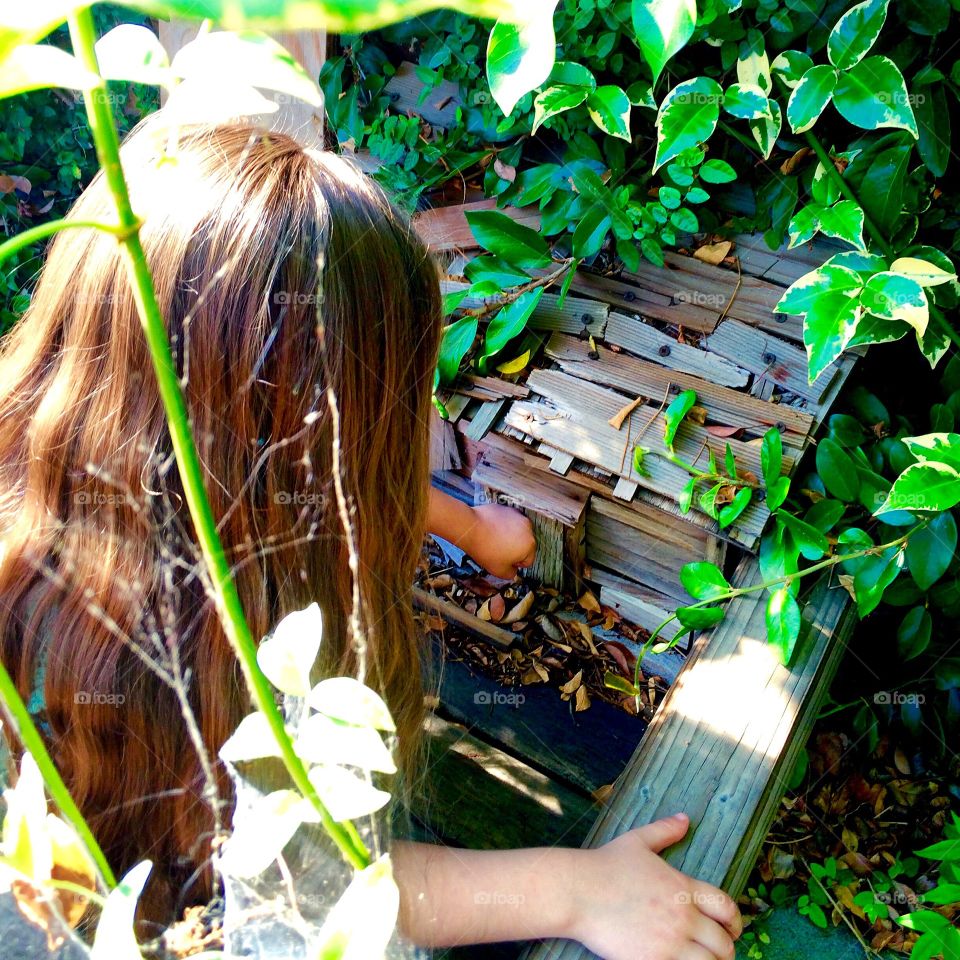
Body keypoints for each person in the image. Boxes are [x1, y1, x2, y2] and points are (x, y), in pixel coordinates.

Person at [0, 116, 740, 959]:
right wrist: (576, 889)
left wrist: (463, 523)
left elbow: (271, 464)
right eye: (397, 406)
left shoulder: (63, 463)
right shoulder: (256, 677)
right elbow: (326, 888)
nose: (422, 422)